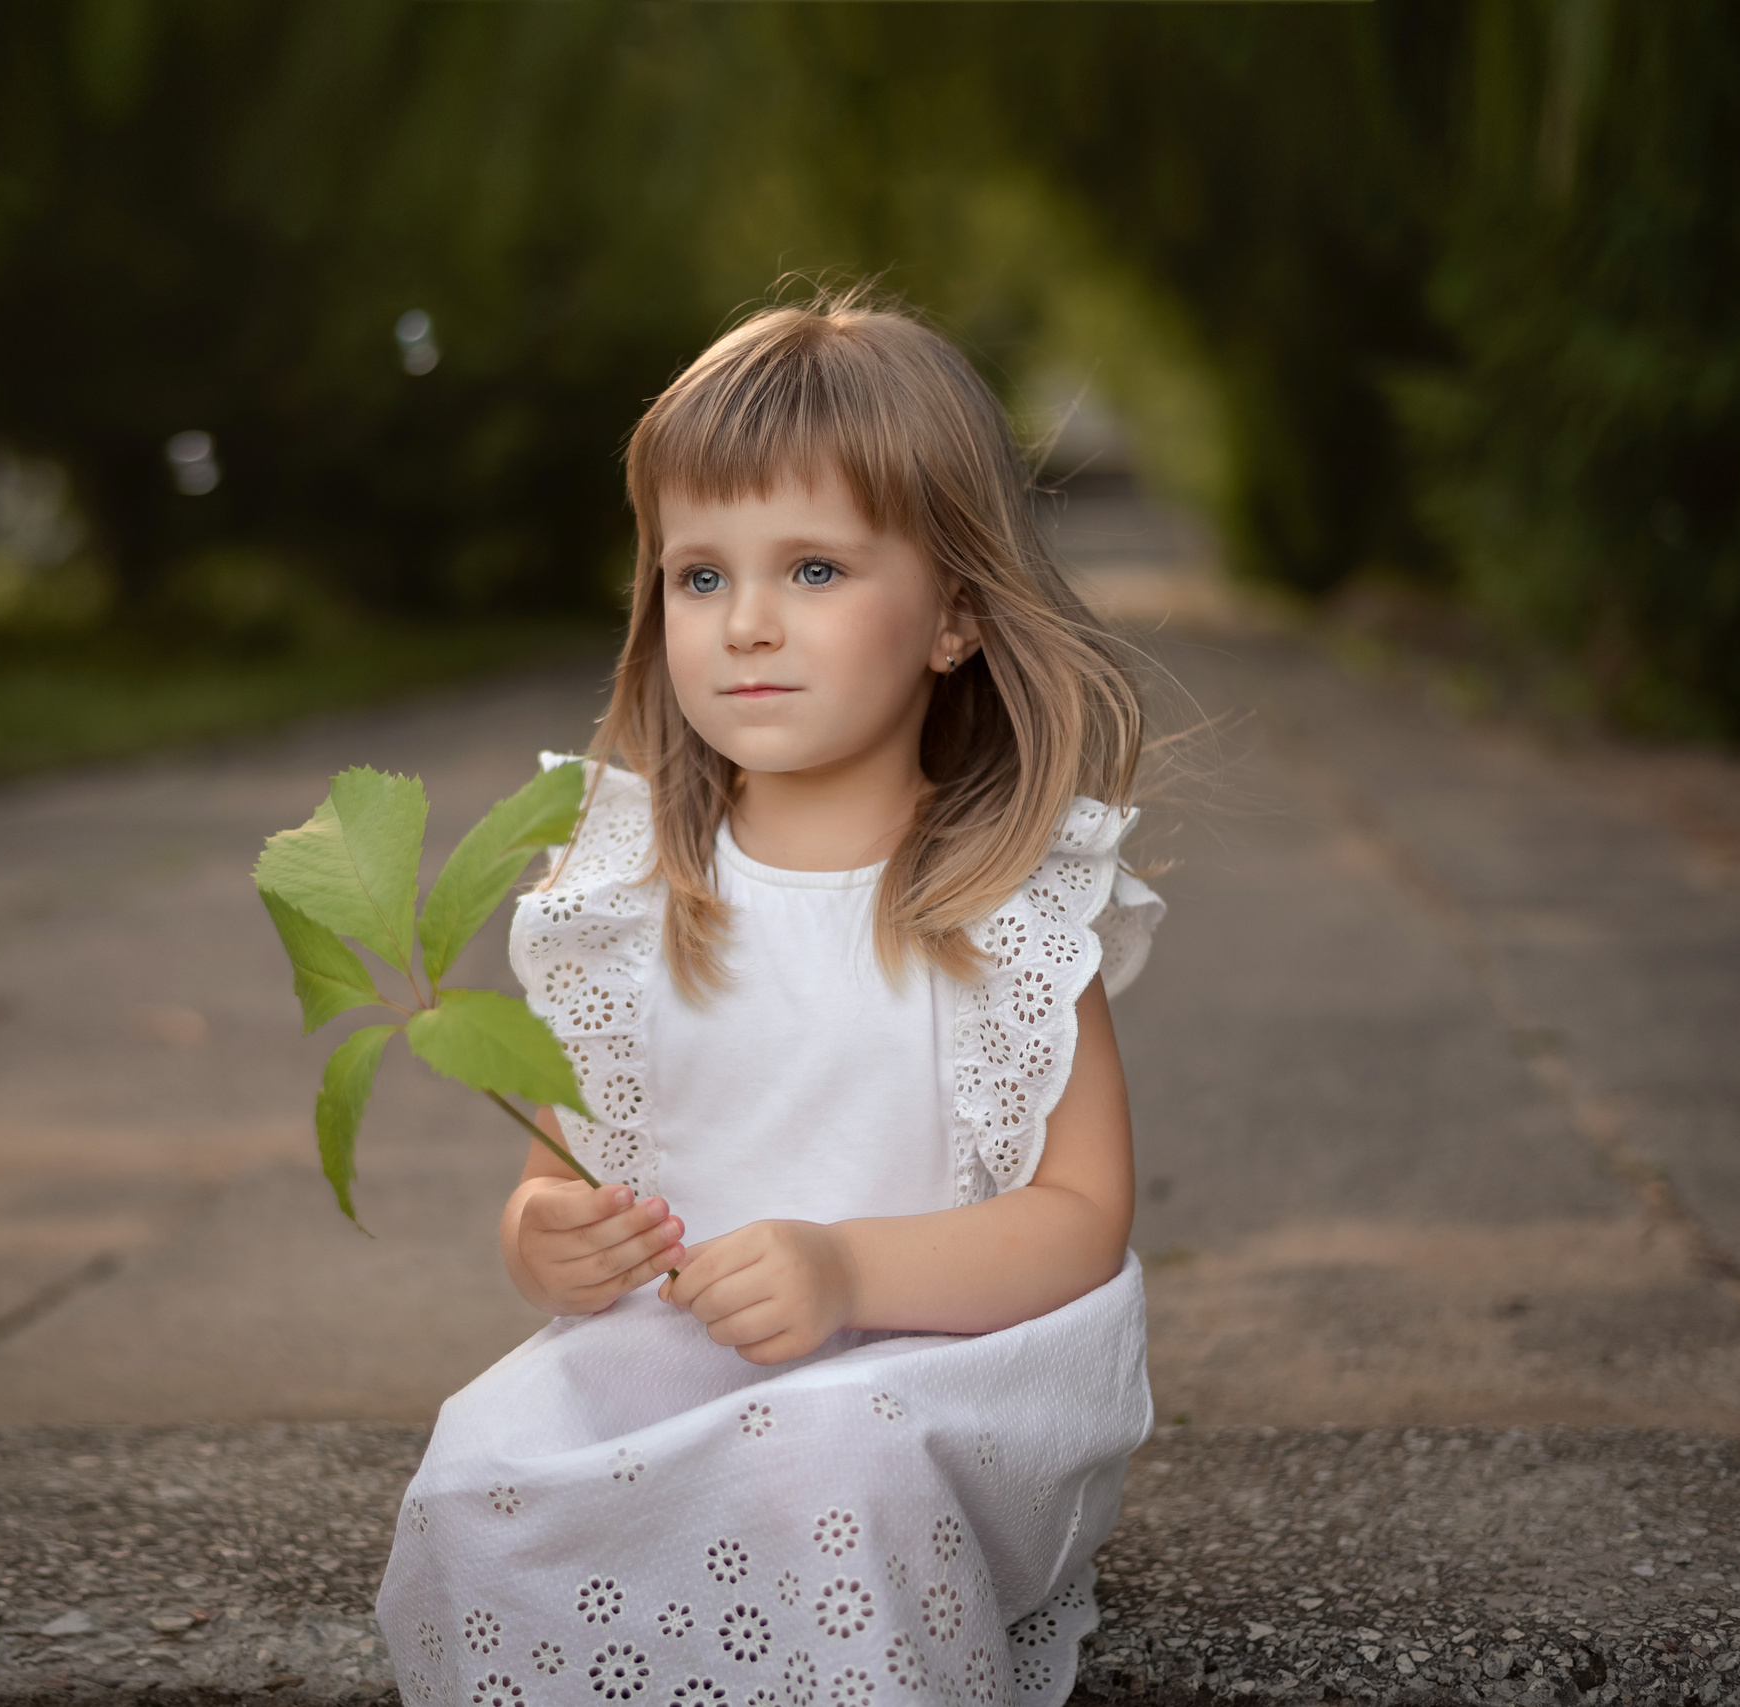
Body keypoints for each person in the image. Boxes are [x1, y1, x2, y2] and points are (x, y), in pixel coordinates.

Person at [377, 288, 1165, 1707]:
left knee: (829, 1460)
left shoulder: (1005, 898)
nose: (744, 624)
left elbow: (1079, 1221)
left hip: (929, 1381)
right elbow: (563, 1175)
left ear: (955, 616)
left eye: (813, 571)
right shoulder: (620, 896)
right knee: (471, 1473)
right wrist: (548, 1242)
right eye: (698, 576)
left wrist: (850, 1273)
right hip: (682, 1357)